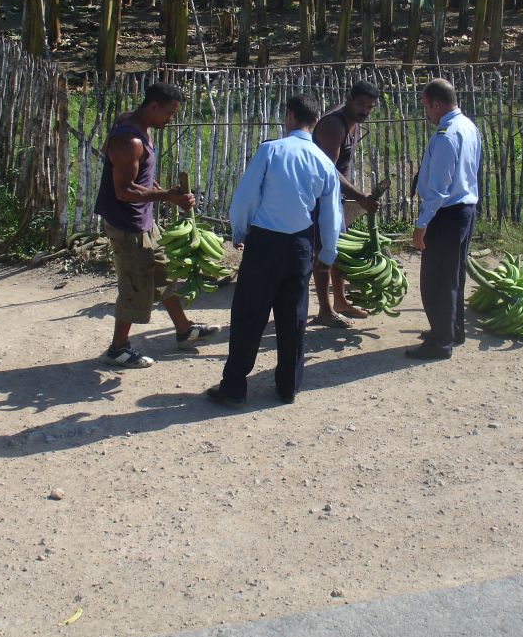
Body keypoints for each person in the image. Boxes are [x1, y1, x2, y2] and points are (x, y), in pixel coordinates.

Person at [207, 94, 342, 407]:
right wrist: (328, 253)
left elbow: (245, 197)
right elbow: (331, 214)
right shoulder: (324, 161)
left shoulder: (271, 150)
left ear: (290, 115)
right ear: (316, 122)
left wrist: (239, 229)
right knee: (293, 317)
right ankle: (288, 386)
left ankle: (234, 386)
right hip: (300, 245)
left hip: (265, 243)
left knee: (249, 314)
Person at [95, 82, 218, 368]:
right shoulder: (130, 141)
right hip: (129, 227)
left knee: (165, 274)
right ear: (153, 107)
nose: (171, 118)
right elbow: (123, 190)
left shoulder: (135, 123)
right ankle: (118, 348)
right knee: (135, 287)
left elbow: (139, 178)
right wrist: (167, 197)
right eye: (170, 112)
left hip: (144, 221)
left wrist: (162, 190)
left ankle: (184, 330)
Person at [407, 78, 481, 361]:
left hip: (445, 214)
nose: (426, 113)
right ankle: (452, 330)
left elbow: (438, 189)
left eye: (426, 107)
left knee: (436, 280)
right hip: (464, 209)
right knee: (453, 276)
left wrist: (421, 225)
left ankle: (440, 343)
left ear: (436, 104)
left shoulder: (446, 135)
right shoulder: (468, 126)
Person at [311, 80, 382, 328]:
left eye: (370, 107)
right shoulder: (334, 125)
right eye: (361, 104)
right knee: (323, 252)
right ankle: (325, 310)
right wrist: (360, 196)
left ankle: (340, 301)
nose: (365, 110)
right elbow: (328, 170)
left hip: (333, 197)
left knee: (335, 250)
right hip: (320, 197)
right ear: (349, 98)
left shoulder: (351, 123)